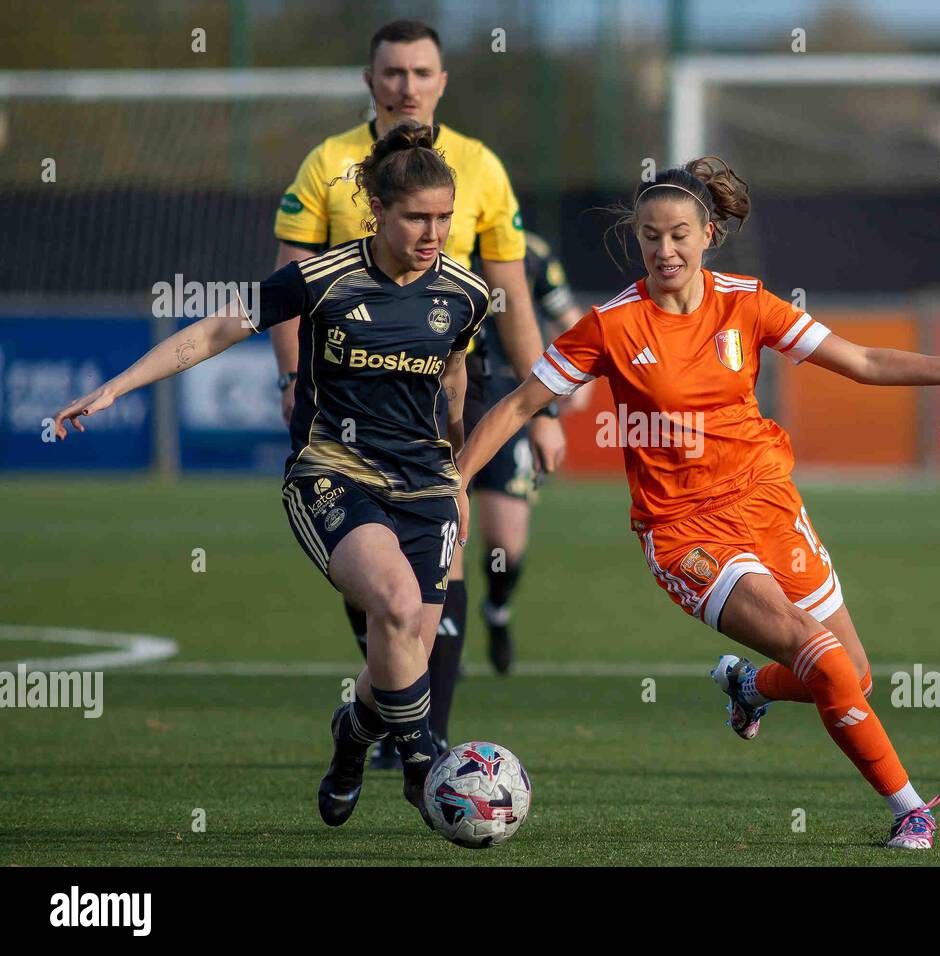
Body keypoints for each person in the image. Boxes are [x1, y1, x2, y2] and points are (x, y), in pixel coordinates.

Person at [450, 156, 940, 849]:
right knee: (823, 660)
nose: (664, 249)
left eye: (679, 234)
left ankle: (752, 688)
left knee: (852, 676)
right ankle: (911, 810)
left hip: (768, 503)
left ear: (708, 233)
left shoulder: (746, 301)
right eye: (650, 236)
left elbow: (860, 362)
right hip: (685, 532)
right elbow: (522, 401)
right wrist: (459, 479)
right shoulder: (613, 325)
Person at [53, 122, 484, 832]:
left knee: (402, 648)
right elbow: (219, 330)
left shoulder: (465, 296)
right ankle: (422, 761)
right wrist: (117, 388)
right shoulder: (322, 279)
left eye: (444, 216)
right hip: (332, 475)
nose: (433, 231)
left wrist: (459, 476)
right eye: (417, 217)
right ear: (376, 209)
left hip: (427, 487)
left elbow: (458, 384)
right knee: (400, 608)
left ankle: (352, 739)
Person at [270, 18, 564, 765]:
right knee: (382, 583)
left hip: (452, 383)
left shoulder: (480, 167)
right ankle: (399, 724)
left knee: (453, 556)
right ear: (371, 81)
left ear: (441, 81)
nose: (407, 85)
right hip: (349, 399)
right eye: (393, 72)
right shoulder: (329, 162)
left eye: (422, 71)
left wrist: (546, 404)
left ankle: (422, 739)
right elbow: (287, 284)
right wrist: (287, 376)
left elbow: (512, 296)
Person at [467, 231, 586, 673]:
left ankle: (497, 611)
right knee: (443, 534)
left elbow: (567, 318)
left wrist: (575, 377)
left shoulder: (529, 251)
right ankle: (441, 641)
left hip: (514, 395)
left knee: (505, 543)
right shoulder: (435, 244)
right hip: (446, 393)